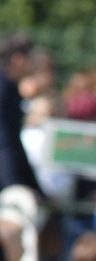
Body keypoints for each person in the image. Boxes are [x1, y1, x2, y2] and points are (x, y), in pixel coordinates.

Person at [0, 34, 42, 195]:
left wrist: (35, 188)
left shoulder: (10, 89)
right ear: (18, 59)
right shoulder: (4, 91)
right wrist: (12, 184)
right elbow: (4, 140)